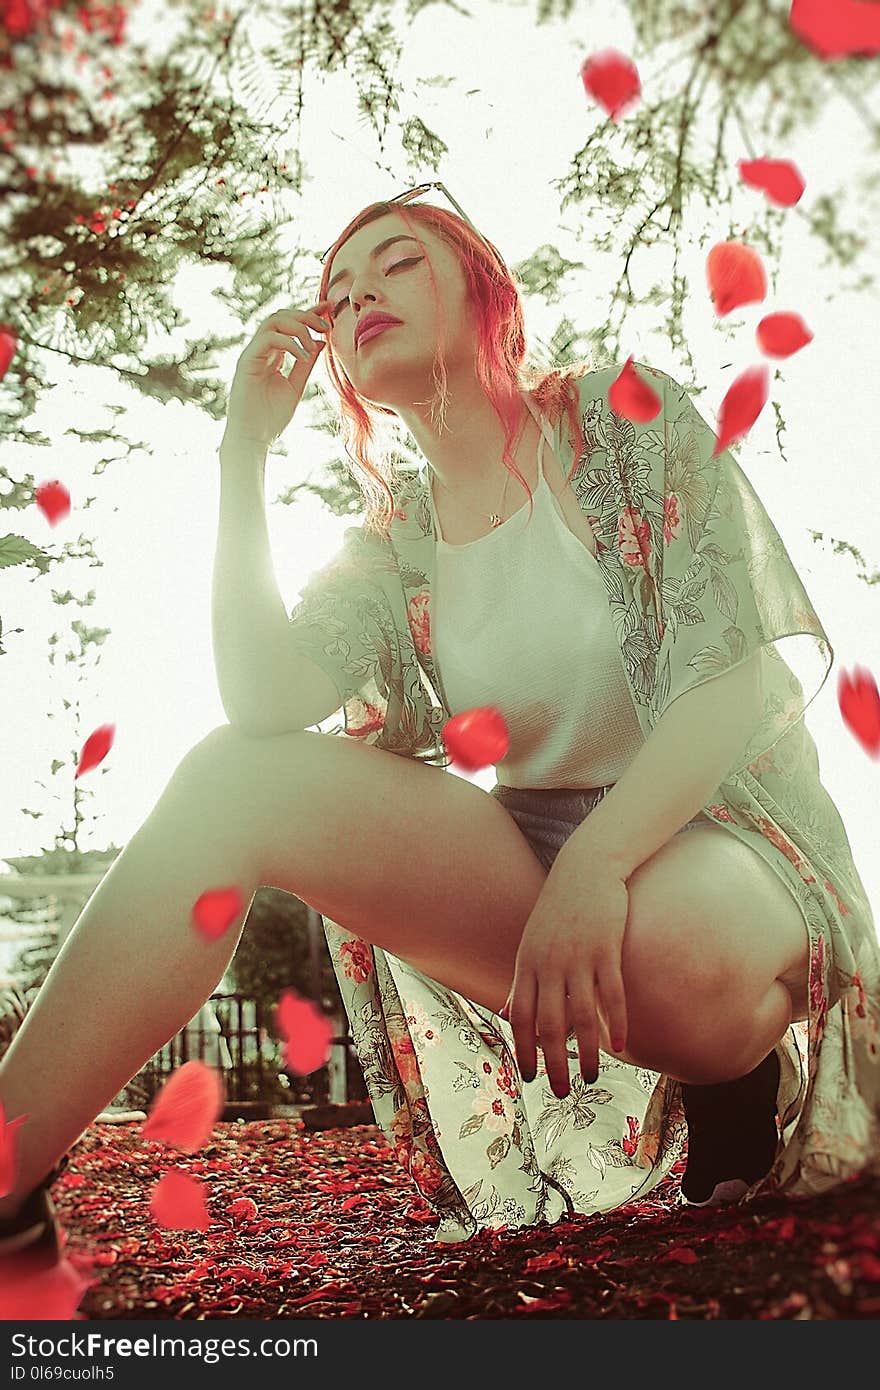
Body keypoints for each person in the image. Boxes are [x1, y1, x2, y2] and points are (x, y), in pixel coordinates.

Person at [1, 196, 878, 1266]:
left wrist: (598, 867)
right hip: (528, 851)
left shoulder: (621, 414)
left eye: (396, 262)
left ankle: (738, 1083)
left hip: (716, 830)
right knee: (232, 776)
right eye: (339, 290)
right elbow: (262, 700)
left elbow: (722, 683)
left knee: (680, 951)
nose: (358, 292)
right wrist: (242, 456)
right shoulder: (395, 541)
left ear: (484, 288)